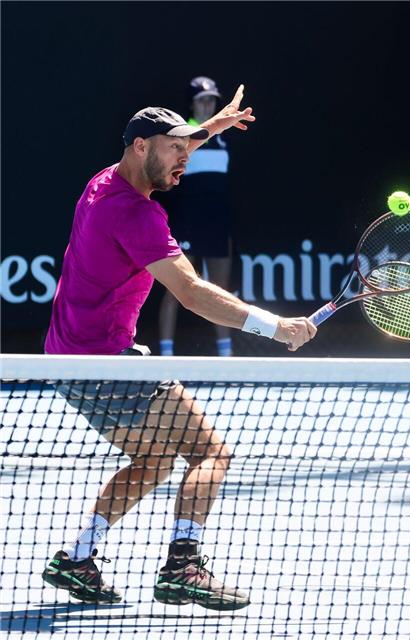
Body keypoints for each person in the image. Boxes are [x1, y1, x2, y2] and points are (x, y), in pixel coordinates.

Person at [41, 86, 317, 609]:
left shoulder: (101, 182)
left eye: (189, 149)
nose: (185, 159)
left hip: (67, 361)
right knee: (210, 452)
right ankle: (182, 566)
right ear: (142, 147)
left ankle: (77, 557)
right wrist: (274, 327)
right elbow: (192, 293)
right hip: (107, 365)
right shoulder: (138, 216)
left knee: (154, 460)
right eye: (175, 149)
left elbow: (175, 144)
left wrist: (211, 127)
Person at [157, 76, 236, 357]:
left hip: (217, 224)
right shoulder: (183, 135)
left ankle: (226, 359)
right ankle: (166, 358)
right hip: (188, 224)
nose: (207, 105)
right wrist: (214, 123)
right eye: (202, 100)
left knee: (219, 290)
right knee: (177, 290)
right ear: (192, 104)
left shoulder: (223, 140)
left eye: (211, 100)